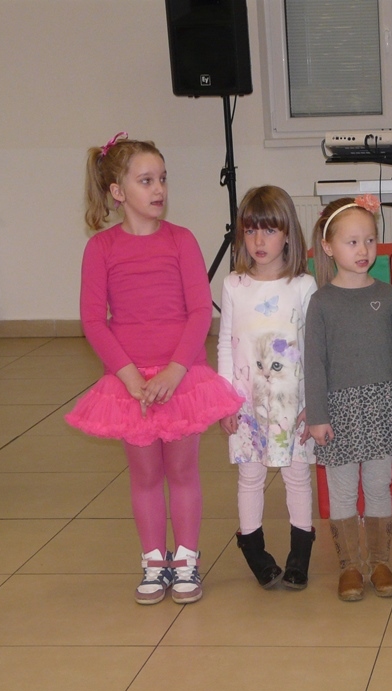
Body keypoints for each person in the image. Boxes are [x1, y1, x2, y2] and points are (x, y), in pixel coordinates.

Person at [67, 132, 243, 605]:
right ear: (117, 191)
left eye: (162, 178)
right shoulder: (101, 248)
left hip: (180, 378)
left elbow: (200, 312)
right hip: (131, 383)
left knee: (182, 471)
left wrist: (174, 372)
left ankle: (185, 559)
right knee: (145, 474)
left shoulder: (181, 241)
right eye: (146, 180)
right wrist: (130, 378)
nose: (159, 188)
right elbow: (93, 320)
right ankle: (153, 560)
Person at [305, 195, 392, 602]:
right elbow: (315, 362)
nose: (363, 249)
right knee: (344, 490)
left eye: (369, 240)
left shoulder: (389, 296)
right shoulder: (321, 302)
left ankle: (379, 561)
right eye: (352, 242)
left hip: (383, 407)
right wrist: (317, 415)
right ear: (328, 247)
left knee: (380, 485)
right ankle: (349, 564)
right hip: (338, 411)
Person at [217, 185, 318, 590]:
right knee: (250, 476)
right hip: (247, 403)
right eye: (251, 230)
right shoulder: (233, 285)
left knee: (297, 475)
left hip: (294, 403)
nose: (259, 240)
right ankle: (253, 548)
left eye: (270, 230)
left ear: (288, 234)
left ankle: (300, 552)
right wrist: (226, 400)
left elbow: (314, 348)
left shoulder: (303, 286)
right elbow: (226, 344)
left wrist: (314, 402)